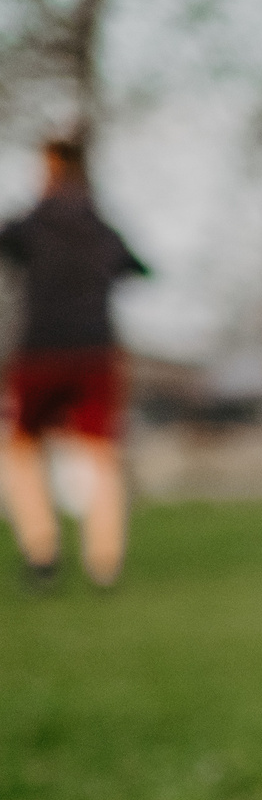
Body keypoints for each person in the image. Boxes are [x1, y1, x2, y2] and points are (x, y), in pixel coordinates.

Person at [0, 135, 149, 590]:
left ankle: (41, 549)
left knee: (20, 449)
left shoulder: (30, 224)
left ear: (50, 168)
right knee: (102, 456)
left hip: (40, 352)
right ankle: (105, 561)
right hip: (96, 353)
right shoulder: (102, 228)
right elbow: (138, 269)